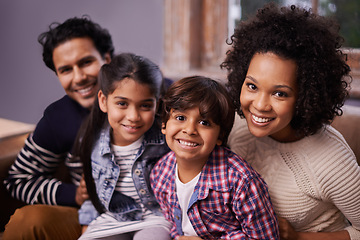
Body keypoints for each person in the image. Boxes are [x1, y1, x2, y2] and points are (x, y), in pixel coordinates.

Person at [222, 3, 360, 240]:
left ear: (305, 95)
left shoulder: (332, 160)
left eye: (280, 93)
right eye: (252, 86)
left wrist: (298, 237)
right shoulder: (234, 123)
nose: (260, 105)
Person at [3, 16, 114, 240]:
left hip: (159, 217)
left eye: (86, 62)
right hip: (93, 216)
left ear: (107, 59)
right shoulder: (59, 119)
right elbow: (19, 179)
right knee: (28, 221)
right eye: (65, 70)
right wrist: (76, 194)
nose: (79, 78)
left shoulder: (154, 95)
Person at [150, 76, 280, 239]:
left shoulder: (241, 182)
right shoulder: (160, 173)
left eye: (204, 123)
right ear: (164, 125)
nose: (190, 130)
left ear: (220, 136)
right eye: (181, 118)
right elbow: (174, 225)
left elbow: (265, 238)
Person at [75, 53, 172, 240]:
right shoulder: (93, 143)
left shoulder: (166, 140)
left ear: (157, 104)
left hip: (156, 218)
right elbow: (91, 192)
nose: (133, 116)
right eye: (122, 104)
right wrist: (86, 224)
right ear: (103, 101)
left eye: (145, 106)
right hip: (112, 219)